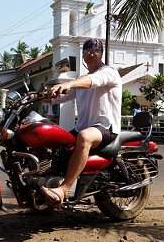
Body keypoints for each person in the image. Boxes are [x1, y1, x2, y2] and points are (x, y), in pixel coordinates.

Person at [40, 38, 122, 207]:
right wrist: (41, 96)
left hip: (105, 128)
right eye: (87, 52)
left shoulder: (108, 72)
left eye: (95, 51)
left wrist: (68, 83)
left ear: (101, 55)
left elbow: (93, 81)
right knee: (55, 139)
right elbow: (59, 99)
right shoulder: (81, 80)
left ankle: (63, 189)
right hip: (84, 126)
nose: (91, 54)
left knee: (84, 137)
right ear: (83, 57)